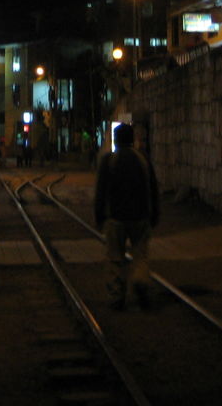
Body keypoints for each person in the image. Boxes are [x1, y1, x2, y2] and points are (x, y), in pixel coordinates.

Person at [94, 123, 159, 310]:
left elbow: (101, 191)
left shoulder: (109, 160)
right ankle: (140, 280)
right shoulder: (143, 160)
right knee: (140, 255)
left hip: (115, 217)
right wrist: (154, 214)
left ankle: (116, 296)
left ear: (116, 139)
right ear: (133, 139)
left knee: (115, 258)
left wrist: (99, 216)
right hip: (140, 217)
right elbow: (153, 188)